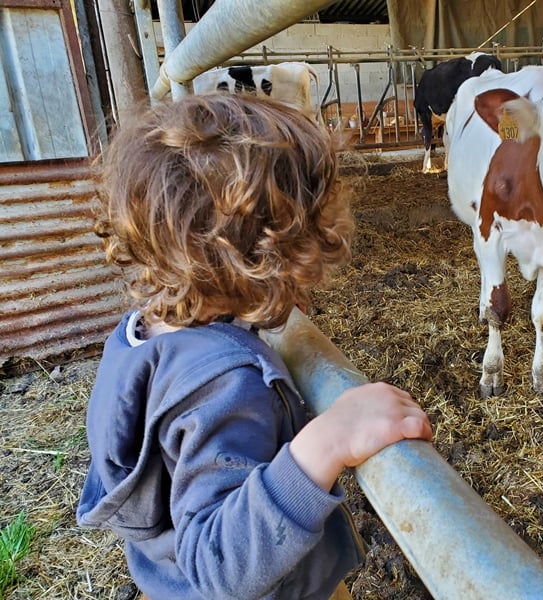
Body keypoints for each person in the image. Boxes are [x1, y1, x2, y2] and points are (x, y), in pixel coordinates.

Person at [76, 93, 433, 600]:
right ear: (260, 258)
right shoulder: (226, 385)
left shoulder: (137, 340)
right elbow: (218, 563)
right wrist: (329, 440)